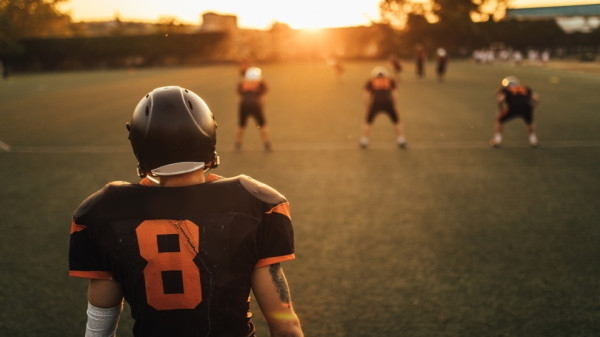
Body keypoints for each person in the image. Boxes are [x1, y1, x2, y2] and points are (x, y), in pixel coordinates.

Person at [69, 86, 304, 337]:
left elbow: (98, 331)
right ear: (208, 134)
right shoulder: (253, 203)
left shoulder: (106, 212)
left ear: (139, 144)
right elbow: (284, 322)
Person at [359, 66, 407, 149]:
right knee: (397, 121)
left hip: (375, 103)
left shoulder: (370, 81)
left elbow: (366, 95)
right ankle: (401, 140)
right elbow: (395, 94)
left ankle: (364, 140)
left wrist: (367, 106)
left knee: (367, 122)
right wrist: (394, 104)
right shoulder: (390, 81)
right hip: (388, 102)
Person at [490, 76, 540, 147]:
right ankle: (533, 140)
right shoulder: (525, 88)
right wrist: (532, 108)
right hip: (526, 107)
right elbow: (536, 99)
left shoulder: (506, 89)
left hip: (513, 107)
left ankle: (497, 140)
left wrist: (501, 109)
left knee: (499, 120)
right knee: (530, 122)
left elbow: (500, 100)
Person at [236, 66, 272, 151]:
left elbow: (240, 98)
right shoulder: (261, 84)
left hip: (244, 104)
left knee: (241, 125)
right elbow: (262, 98)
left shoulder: (242, 84)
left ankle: (238, 143)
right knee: (262, 125)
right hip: (255, 104)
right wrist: (262, 108)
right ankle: (267, 143)